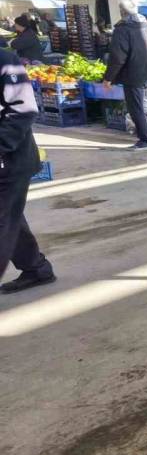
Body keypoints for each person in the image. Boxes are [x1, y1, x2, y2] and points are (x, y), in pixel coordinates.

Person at [0, 49, 56, 294]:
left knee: (4, 221)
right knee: (10, 217)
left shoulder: (4, 61)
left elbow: (23, 110)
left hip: (10, 161)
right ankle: (36, 268)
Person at [103, 0, 147, 151]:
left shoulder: (123, 29)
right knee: (145, 103)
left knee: (136, 107)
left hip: (134, 74)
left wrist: (108, 78)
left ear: (122, 12)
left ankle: (146, 140)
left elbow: (118, 57)